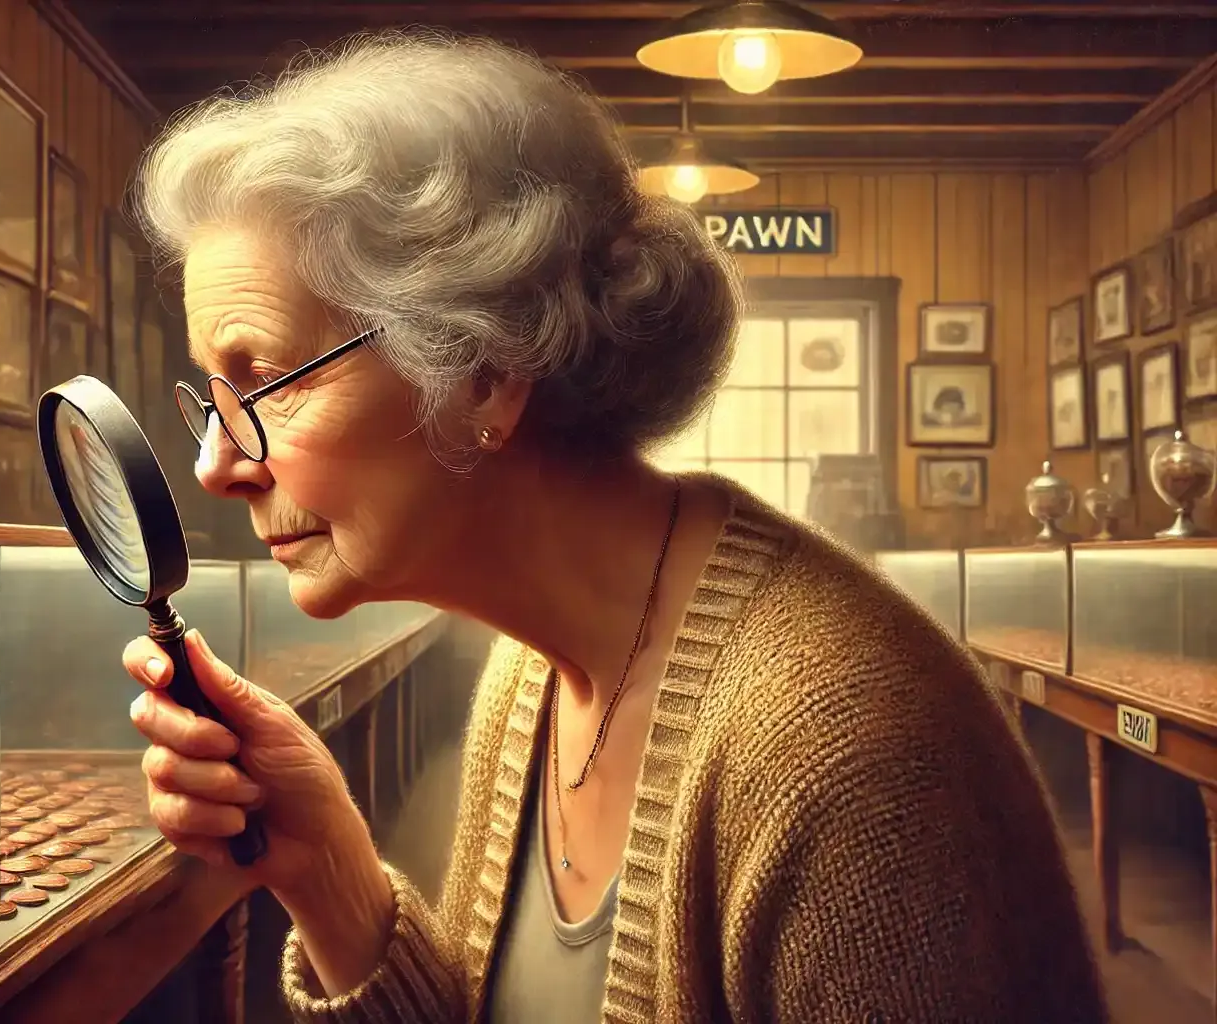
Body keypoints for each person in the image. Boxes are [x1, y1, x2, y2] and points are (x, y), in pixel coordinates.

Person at [118, 31, 1107, 1024]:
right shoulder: (532, 676)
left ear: (485, 373)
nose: (216, 465)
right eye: (211, 401)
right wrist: (328, 864)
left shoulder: (850, 761)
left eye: (265, 382)